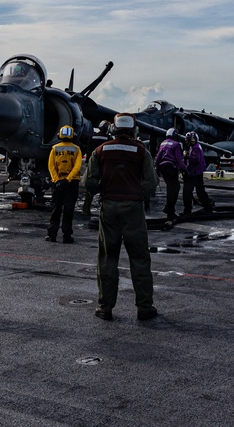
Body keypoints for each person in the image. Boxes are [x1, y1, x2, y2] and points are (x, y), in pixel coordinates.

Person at [83, 113, 159, 321]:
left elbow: (88, 182)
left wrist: (104, 190)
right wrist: (137, 194)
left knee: (107, 258)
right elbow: (151, 183)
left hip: (109, 207)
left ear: (113, 130)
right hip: (133, 208)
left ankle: (104, 307)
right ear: (134, 130)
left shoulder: (100, 150)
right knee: (139, 257)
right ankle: (144, 307)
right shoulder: (141, 151)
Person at [46, 125, 82, 243]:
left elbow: (51, 166)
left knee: (56, 210)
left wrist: (57, 180)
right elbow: (77, 166)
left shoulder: (54, 148)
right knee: (68, 210)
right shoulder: (76, 149)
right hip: (72, 183)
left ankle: (52, 235)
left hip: (57, 183)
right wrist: (69, 179)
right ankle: (67, 236)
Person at [81, 120, 112, 217]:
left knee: (90, 188)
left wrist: (88, 163)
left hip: (93, 164)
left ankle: (86, 209)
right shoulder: (108, 138)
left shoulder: (92, 137)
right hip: (104, 165)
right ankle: (105, 210)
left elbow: (88, 150)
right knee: (106, 187)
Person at [155, 128, 186, 223]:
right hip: (170, 167)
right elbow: (179, 159)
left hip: (162, 168)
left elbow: (158, 156)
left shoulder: (163, 143)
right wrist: (184, 169)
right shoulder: (176, 144)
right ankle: (169, 210)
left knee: (170, 187)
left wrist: (156, 168)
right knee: (175, 187)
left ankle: (169, 209)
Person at [182, 131, 213, 215]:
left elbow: (195, 160)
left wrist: (186, 156)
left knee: (187, 192)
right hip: (197, 172)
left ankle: (187, 211)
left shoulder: (195, 148)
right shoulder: (195, 146)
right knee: (200, 191)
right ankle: (208, 207)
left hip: (194, 173)